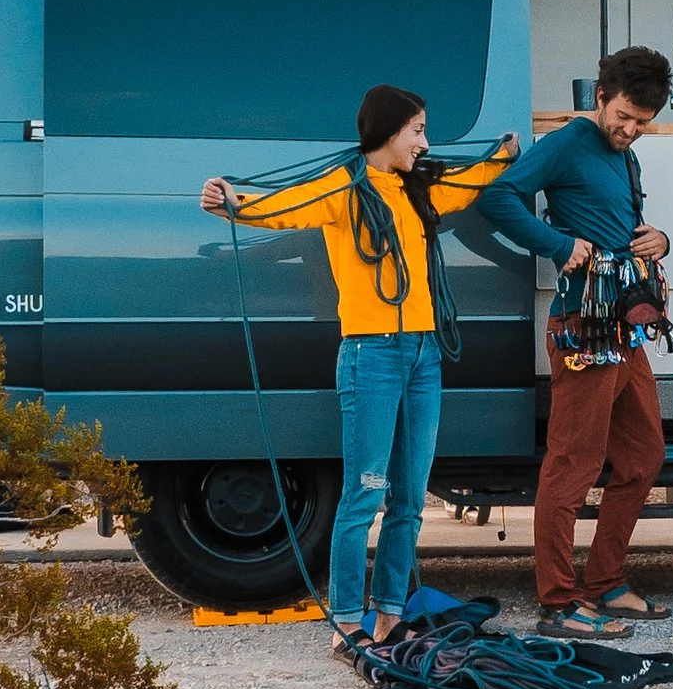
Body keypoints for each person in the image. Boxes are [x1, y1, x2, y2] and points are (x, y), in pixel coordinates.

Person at [202, 89, 513, 654]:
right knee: (364, 494)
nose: (424, 142)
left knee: (410, 499)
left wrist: (503, 155)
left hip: (424, 355)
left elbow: (469, 184)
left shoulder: (419, 192)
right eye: (416, 130)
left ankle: (391, 613)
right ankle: (348, 618)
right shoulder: (344, 189)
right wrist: (233, 201)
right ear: (387, 133)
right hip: (372, 354)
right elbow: (285, 204)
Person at [473, 45, 673, 639]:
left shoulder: (624, 156)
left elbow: (621, 222)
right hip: (583, 327)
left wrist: (659, 239)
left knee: (642, 457)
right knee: (573, 464)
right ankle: (559, 603)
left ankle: (605, 582)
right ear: (600, 97)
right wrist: (559, 247)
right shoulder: (566, 143)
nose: (630, 130)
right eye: (624, 117)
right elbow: (498, 197)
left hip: (626, 327)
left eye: (642, 123)